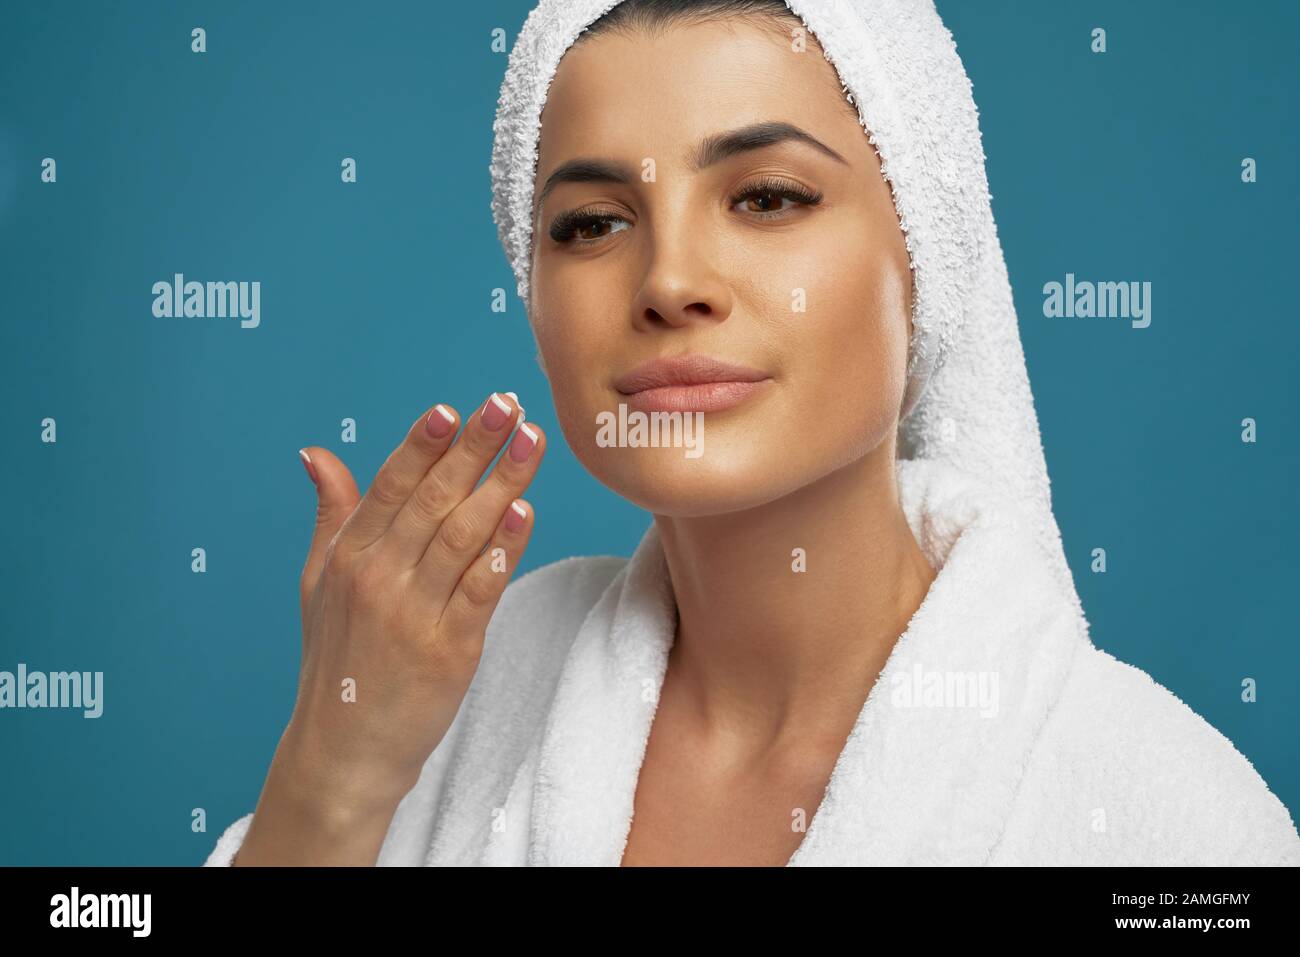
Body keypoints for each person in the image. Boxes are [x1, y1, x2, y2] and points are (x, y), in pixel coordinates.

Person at [205, 0, 1300, 866]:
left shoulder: (1176, 826)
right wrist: (330, 773)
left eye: (768, 198)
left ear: (927, 261)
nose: (671, 280)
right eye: (590, 224)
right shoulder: (450, 703)